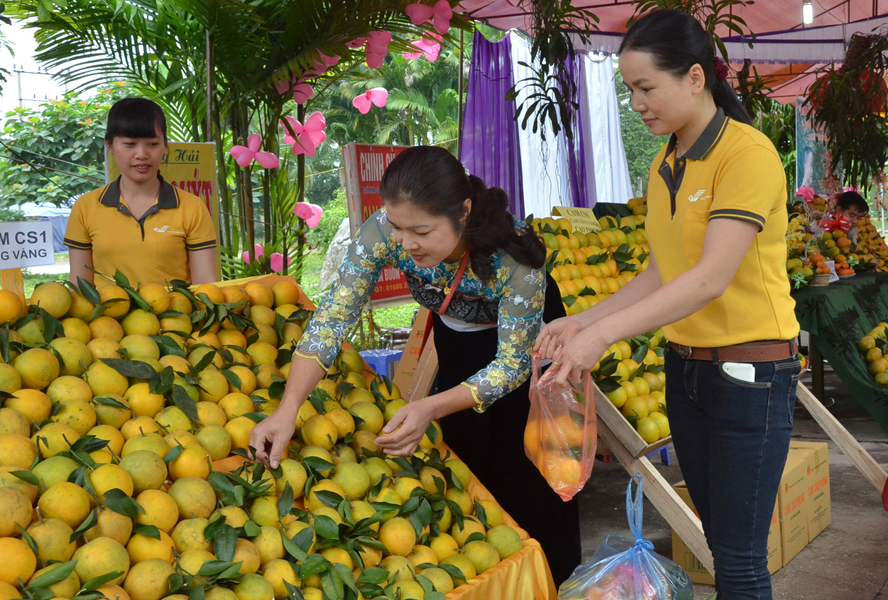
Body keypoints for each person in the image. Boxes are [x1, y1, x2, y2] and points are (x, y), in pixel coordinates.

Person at [535, 10, 800, 600]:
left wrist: (606, 336)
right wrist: (583, 318)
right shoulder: (665, 162)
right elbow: (662, 272)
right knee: (717, 543)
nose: (637, 103)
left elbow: (708, 279)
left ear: (697, 78)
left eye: (646, 87)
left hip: (750, 376)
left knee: (738, 561)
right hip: (687, 371)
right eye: (629, 90)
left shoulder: (746, 154)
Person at [250, 146, 582, 585]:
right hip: (456, 340)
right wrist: (287, 409)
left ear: (463, 211)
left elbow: (512, 365)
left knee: (530, 470)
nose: (406, 242)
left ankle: (552, 582)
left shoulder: (514, 257)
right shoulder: (386, 232)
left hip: (526, 348)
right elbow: (333, 317)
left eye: (421, 231)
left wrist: (429, 406)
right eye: (398, 226)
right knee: (469, 463)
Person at [65, 98, 217, 288]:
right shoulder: (85, 207)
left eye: (152, 144)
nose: (142, 154)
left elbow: (206, 288)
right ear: (109, 146)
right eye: (129, 144)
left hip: (177, 316)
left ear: (165, 146)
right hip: (109, 317)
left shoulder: (192, 207)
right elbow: (79, 288)